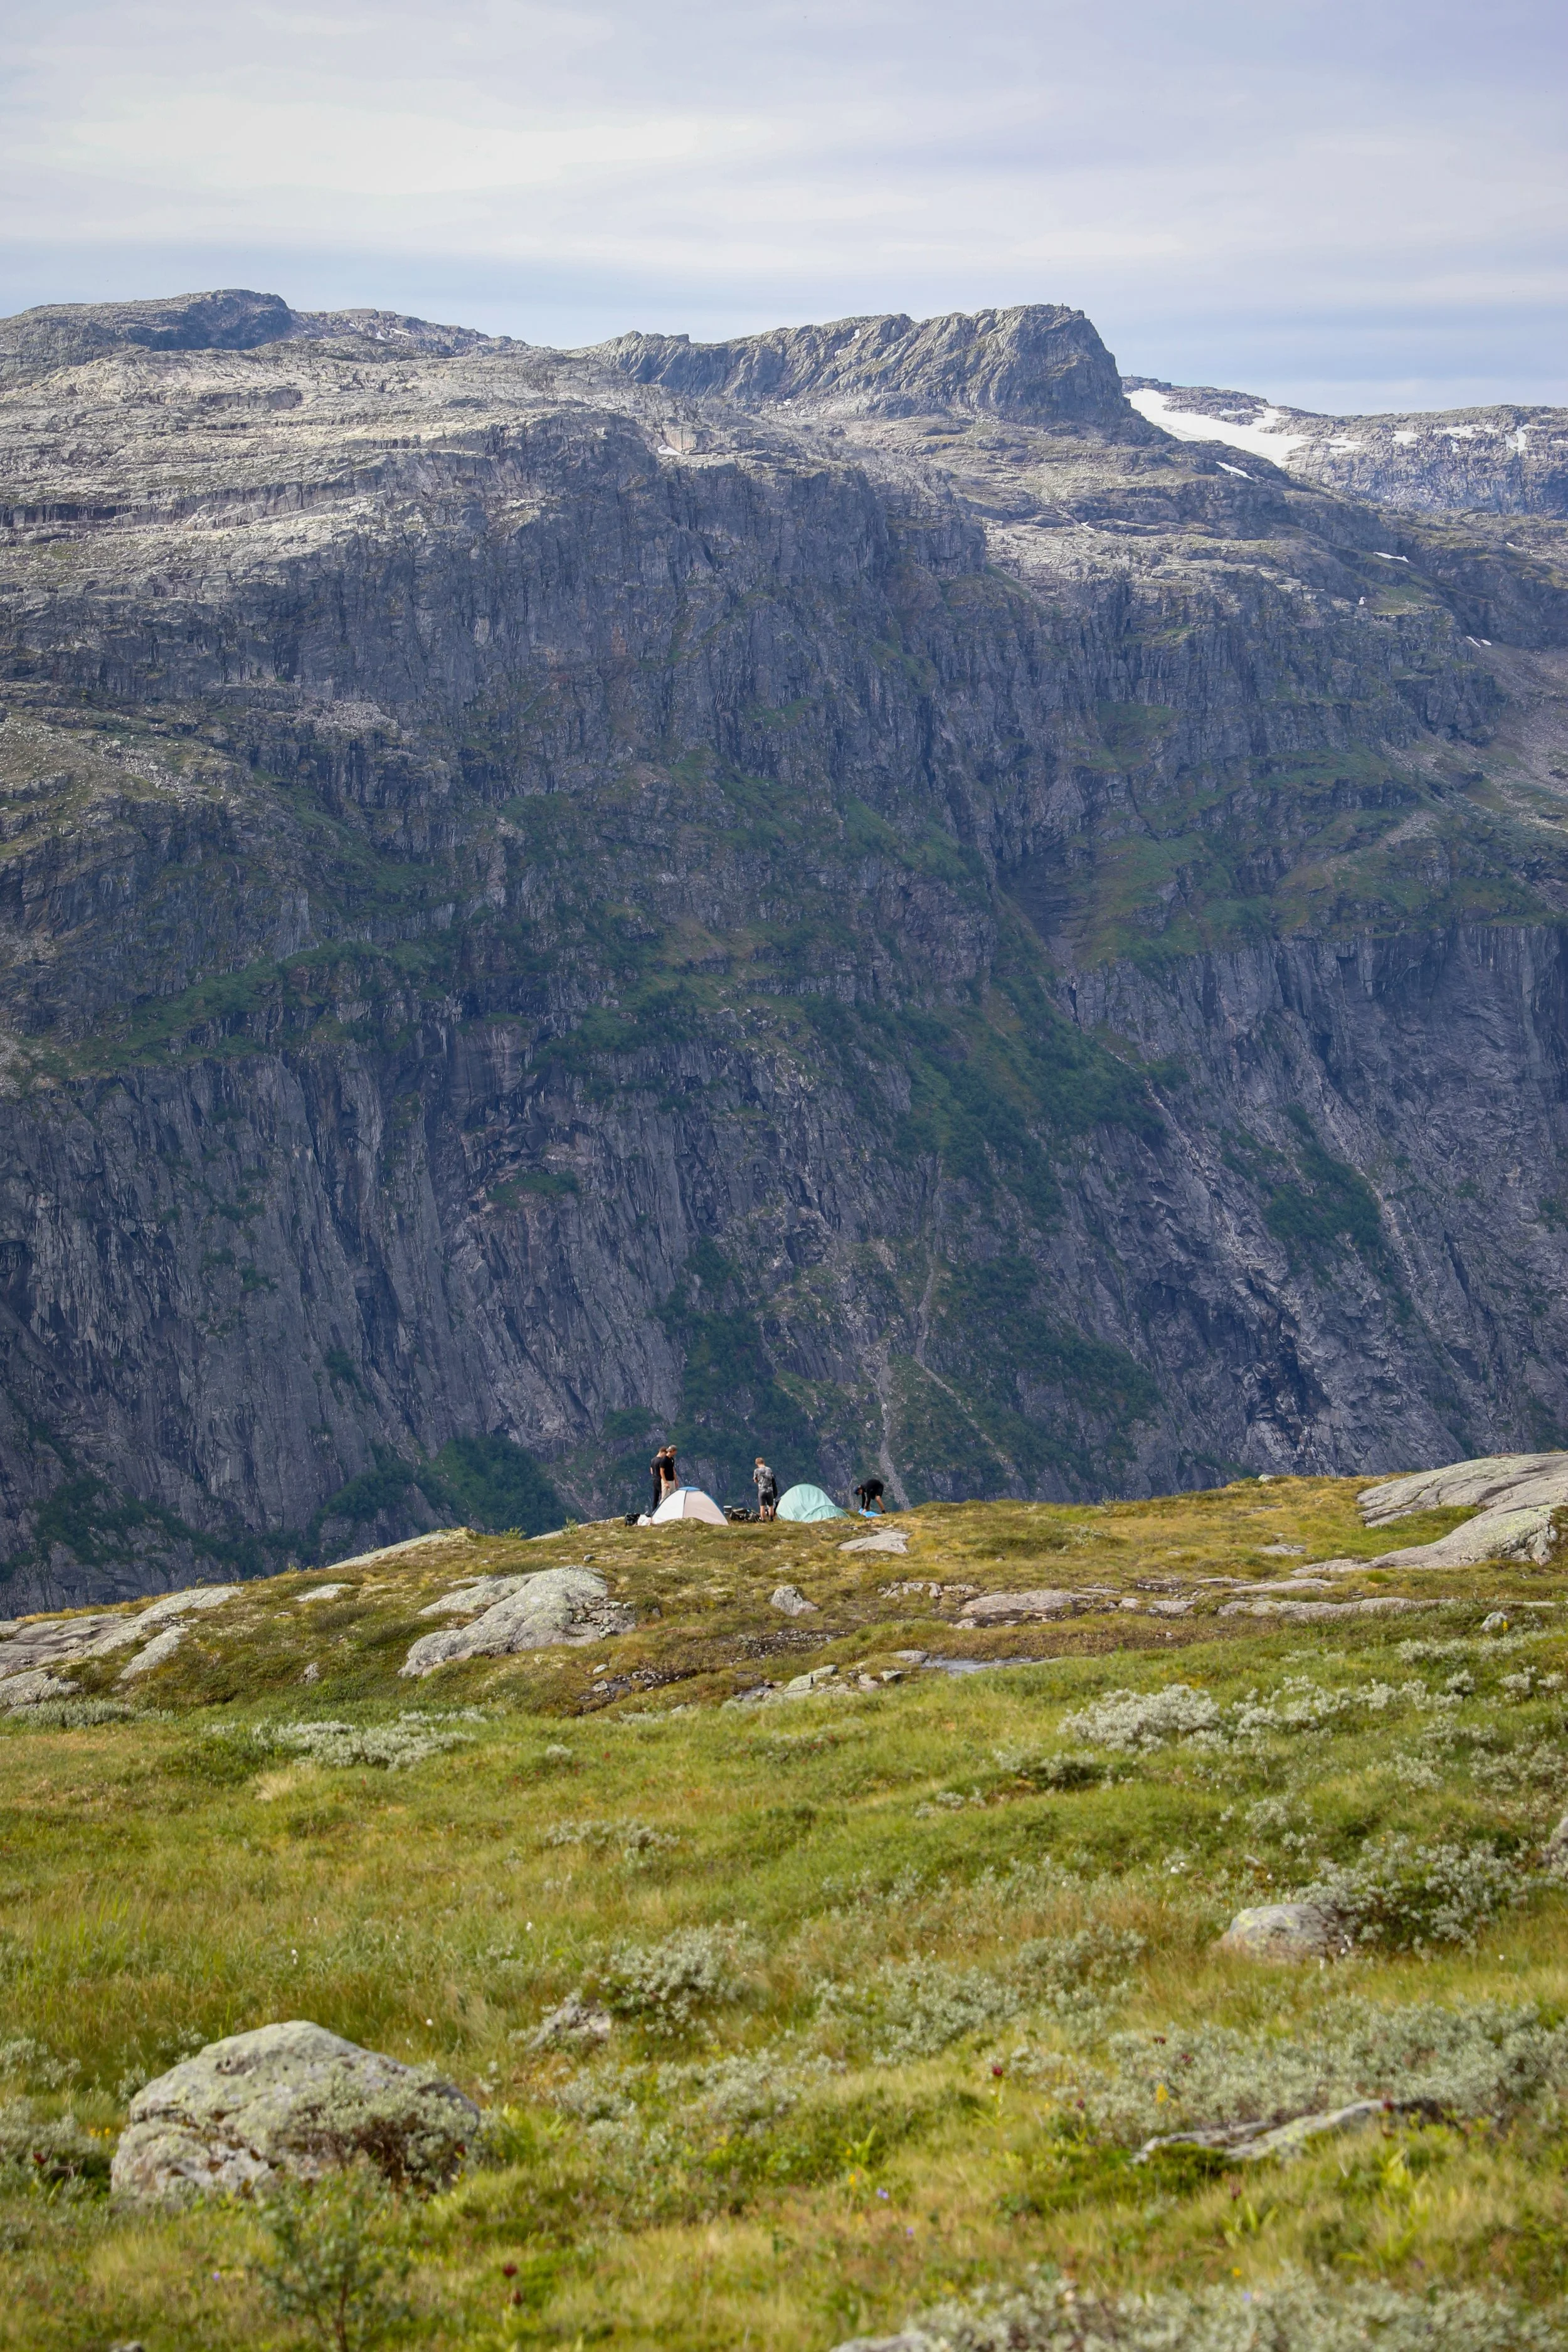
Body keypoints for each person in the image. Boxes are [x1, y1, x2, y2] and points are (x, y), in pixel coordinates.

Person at [649, 1443, 678, 1515]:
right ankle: (663, 1512)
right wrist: (665, 1481)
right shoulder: (663, 1460)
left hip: (655, 1480)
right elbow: (662, 1471)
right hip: (662, 1480)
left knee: (656, 1498)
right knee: (665, 1496)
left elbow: (651, 1471)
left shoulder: (653, 1460)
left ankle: (654, 1512)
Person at [753, 1456, 779, 1521]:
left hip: (762, 1490)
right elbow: (772, 1478)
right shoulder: (769, 1469)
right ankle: (771, 1518)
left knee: (762, 1506)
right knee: (771, 1506)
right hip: (770, 1490)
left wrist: (758, 1481)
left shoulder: (756, 1471)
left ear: (757, 1463)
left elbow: (756, 1480)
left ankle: (763, 1520)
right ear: (763, 1462)